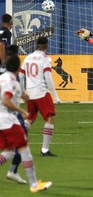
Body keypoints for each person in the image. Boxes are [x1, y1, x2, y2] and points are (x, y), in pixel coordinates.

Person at [0, 55, 52, 193]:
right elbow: (6, 100)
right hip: (8, 122)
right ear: (18, 67)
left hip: (1, 121)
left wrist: (22, 95)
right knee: (24, 150)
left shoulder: (2, 77)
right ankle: (34, 184)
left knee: (10, 151)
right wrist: (21, 110)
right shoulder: (12, 81)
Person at [19, 37, 61, 157]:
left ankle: (13, 141)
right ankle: (44, 150)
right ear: (46, 46)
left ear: (36, 45)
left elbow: (21, 77)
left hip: (30, 93)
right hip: (41, 92)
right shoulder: (46, 58)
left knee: (30, 118)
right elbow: (48, 77)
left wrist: (22, 92)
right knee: (49, 118)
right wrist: (56, 95)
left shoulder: (27, 57)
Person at [4, 45, 29, 184]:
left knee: (11, 149)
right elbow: (8, 98)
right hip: (10, 115)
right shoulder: (13, 75)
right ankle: (13, 171)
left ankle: (13, 171)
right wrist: (22, 110)